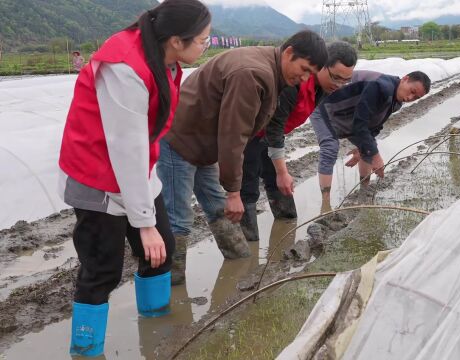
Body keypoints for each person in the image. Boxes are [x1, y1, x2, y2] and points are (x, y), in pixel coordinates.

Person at [57, 0, 211, 356]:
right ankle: (85, 347)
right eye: (202, 39)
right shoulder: (124, 66)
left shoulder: (165, 61)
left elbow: (143, 143)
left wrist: (148, 218)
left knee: (162, 250)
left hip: (136, 171)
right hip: (97, 178)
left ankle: (155, 324)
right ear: (176, 39)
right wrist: (144, 223)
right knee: (102, 270)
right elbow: (125, 147)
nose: (206, 44)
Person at [157, 30, 328, 285]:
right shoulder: (252, 73)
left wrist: (229, 192)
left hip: (204, 143)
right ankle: (170, 285)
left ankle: (240, 265)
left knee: (219, 209)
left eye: (309, 75)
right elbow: (233, 135)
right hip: (180, 140)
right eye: (303, 69)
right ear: (289, 52)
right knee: (179, 218)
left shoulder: (271, 70)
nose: (303, 79)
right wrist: (234, 192)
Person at [238, 41, 358, 241]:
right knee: (248, 189)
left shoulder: (323, 89)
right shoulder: (294, 86)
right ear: (321, 66)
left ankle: (285, 229)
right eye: (336, 77)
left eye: (345, 81)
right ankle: (248, 246)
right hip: (249, 136)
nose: (338, 85)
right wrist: (282, 172)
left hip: (270, 136)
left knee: (279, 185)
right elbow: (274, 128)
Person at [309, 70, 431, 203]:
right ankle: (325, 205)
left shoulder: (396, 101)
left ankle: (363, 195)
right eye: (412, 91)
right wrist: (376, 156)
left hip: (348, 115)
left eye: (416, 98)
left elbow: (374, 125)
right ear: (405, 79)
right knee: (330, 147)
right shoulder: (379, 87)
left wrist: (363, 149)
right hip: (325, 108)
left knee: (368, 148)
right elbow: (360, 124)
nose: (410, 98)